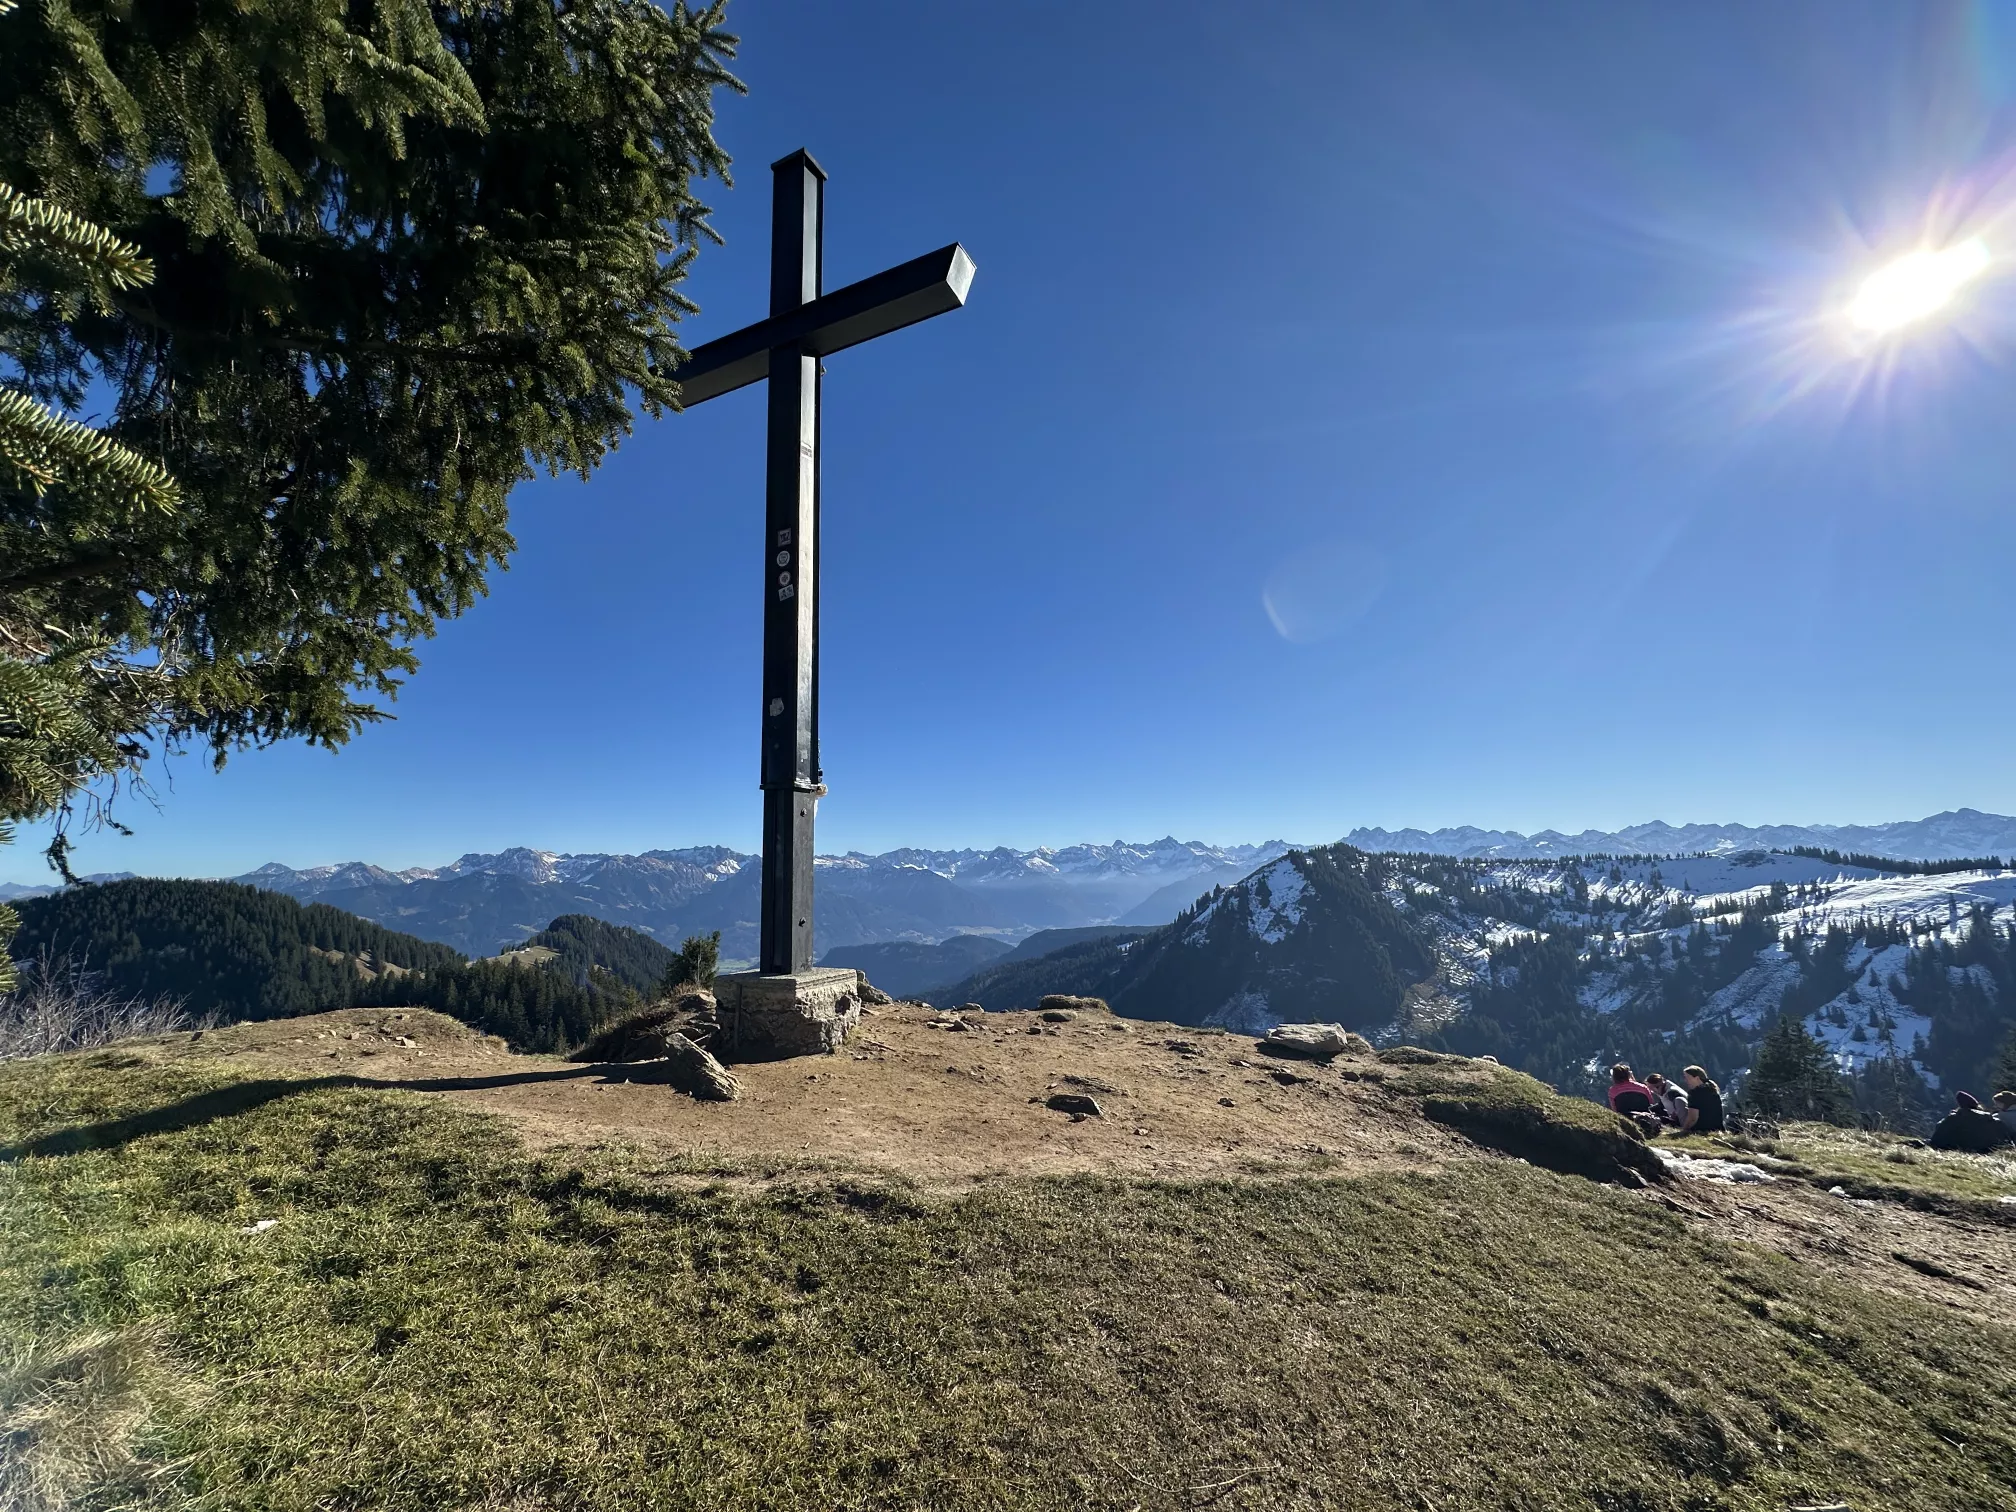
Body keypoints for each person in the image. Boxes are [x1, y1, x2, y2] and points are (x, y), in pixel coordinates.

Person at [1929, 1091, 2015, 1154]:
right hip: (1990, 1150)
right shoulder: (1991, 1119)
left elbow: (1939, 1133)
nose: (1995, 1106)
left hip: (1959, 1150)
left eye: (1998, 1104)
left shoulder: (1953, 1119)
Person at [1676, 1066, 1724, 1134]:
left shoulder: (1694, 1094)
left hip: (1701, 1130)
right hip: (1717, 1130)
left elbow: (1693, 1118)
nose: (1686, 1080)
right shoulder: (1713, 1090)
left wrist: (1684, 1130)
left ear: (1697, 1078)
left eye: (1688, 1078)